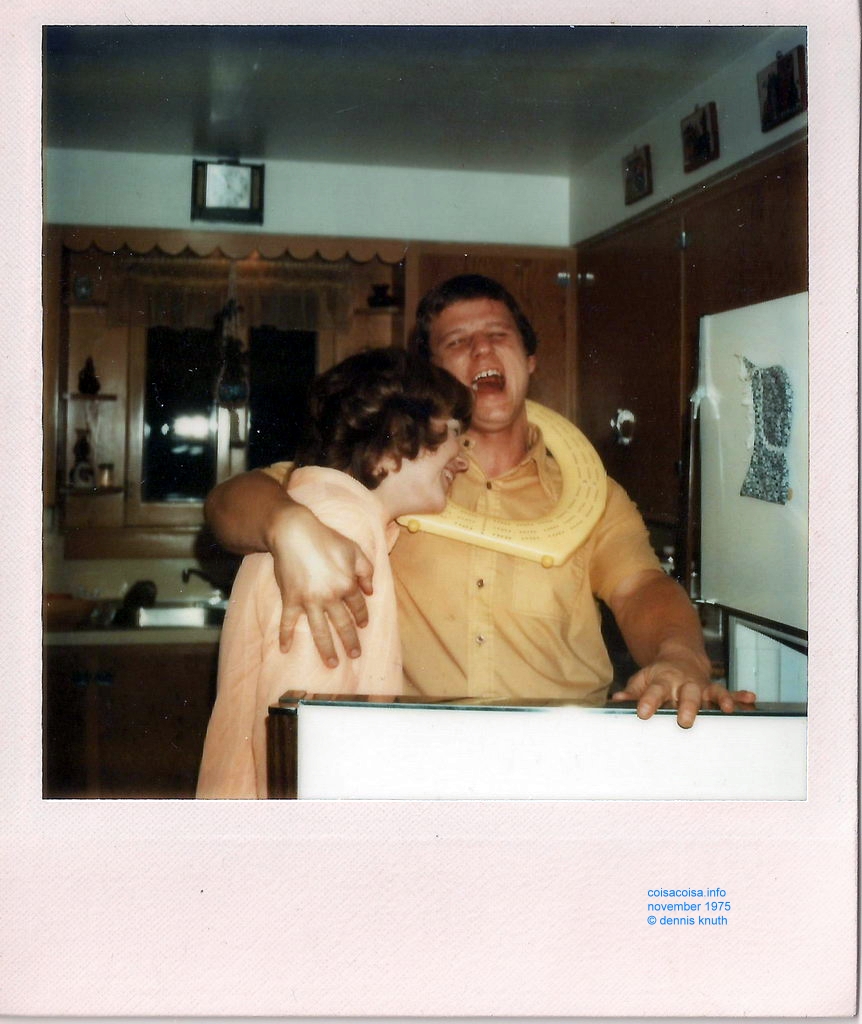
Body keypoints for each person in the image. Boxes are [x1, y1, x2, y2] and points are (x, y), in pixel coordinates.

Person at [205, 274, 756, 728]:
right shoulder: (393, 469)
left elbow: (641, 587)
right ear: (432, 375)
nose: (482, 349)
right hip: (415, 762)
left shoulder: (591, 495)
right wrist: (285, 522)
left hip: (562, 757)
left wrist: (681, 658)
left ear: (530, 359)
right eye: (457, 342)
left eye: (498, 334)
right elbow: (230, 505)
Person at [196, 347, 471, 798]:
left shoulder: (324, 514)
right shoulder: (339, 528)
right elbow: (304, 753)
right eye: (454, 434)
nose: (461, 459)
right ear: (391, 446)